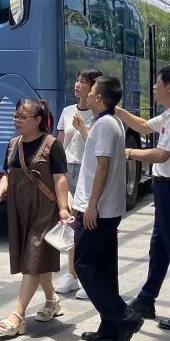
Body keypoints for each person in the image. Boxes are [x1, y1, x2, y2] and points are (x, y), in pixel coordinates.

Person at [117, 66, 170, 331]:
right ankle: (146, 299)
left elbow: (162, 155)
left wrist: (128, 152)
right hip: (166, 190)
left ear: (169, 87)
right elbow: (144, 126)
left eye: (157, 83)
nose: (153, 87)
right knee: (159, 249)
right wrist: (116, 110)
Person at [73, 76, 144, 341]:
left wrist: (91, 205)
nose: (88, 94)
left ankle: (125, 318)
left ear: (100, 97)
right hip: (108, 208)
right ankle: (110, 325)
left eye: (92, 90)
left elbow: (102, 167)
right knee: (104, 267)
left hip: (97, 210)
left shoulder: (104, 124)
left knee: (85, 265)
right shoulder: (111, 123)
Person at [0, 99, 71, 337]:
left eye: (23, 117)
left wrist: (63, 208)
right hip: (19, 209)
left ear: (38, 120)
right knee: (36, 259)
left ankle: (17, 315)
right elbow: (8, 174)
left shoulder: (52, 145)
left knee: (33, 258)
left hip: (44, 210)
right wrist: (0, 191)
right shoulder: (12, 144)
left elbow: (60, 179)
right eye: (16, 116)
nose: (17, 121)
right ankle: (52, 300)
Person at [54, 69, 102, 297]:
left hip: (87, 170)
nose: (77, 85)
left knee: (88, 225)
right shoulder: (67, 111)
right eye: (77, 80)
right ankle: (72, 274)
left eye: (83, 82)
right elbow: (60, 143)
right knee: (71, 223)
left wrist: (83, 127)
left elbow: (97, 147)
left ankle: (88, 276)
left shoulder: (99, 116)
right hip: (68, 169)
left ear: (93, 88)